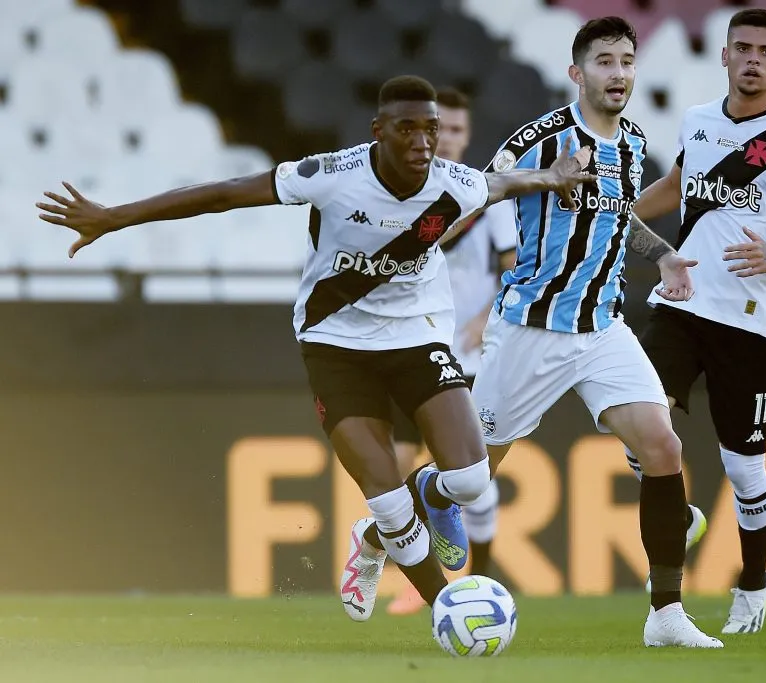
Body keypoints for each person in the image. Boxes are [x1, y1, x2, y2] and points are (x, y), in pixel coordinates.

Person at [36, 75, 595, 623]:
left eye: (430, 130)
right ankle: (443, 608)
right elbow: (224, 195)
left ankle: (411, 505)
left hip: (417, 335)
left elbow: (497, 186)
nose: (423, 143)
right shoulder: (330, 175)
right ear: (378, 131)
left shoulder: (454, 183)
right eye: (407, 131)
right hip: (336, 343)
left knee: (472, 481)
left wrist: (552, 175)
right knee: (388, 498)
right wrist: (114, 218)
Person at [452, 17, 721, 649]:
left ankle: (666, 616)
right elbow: (481, 190)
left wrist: (663, 255)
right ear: (578, 73)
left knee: (663, 447)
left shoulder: (630, 141)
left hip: (602, 327)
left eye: (627, 61)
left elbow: (618, 219)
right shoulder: (544, 136)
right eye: (605, 62)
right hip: (530, 329)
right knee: (470, 477)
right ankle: (380, 533)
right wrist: (548, 180)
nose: (619, 73)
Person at [626, 8, 766, 634]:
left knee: (744, 468)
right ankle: (679, 517)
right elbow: (677, 186)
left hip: (751, 321)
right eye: (743, 48)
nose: (754, 59)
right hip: (681, 303)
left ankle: (754, 582)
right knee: (637, 430)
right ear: (723, 55)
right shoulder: (697, 122)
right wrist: (612, 211)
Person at [387, 87, 518, 616]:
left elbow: (516, 273)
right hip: (405, 351)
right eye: (443, 129)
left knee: (465, 475)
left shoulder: (489, 205)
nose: (449, 140)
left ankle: (479, 584)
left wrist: (488, 317)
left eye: (460, 131)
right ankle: (420, 579)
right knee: (396, 472)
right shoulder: (396, 195)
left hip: (468, 361)